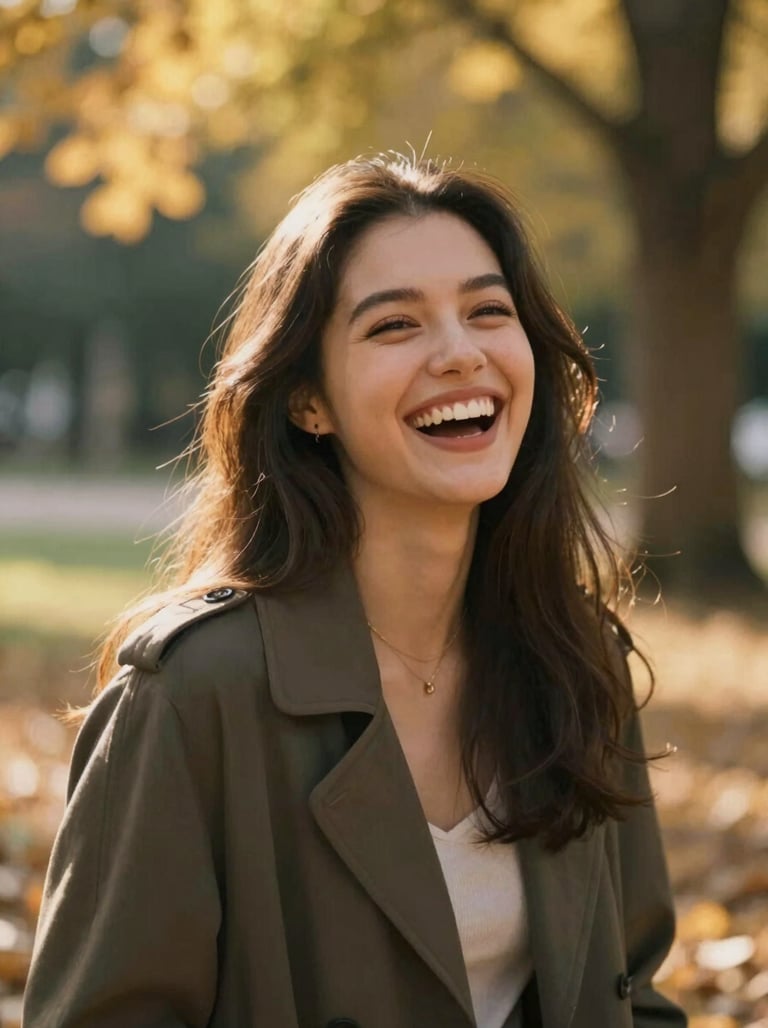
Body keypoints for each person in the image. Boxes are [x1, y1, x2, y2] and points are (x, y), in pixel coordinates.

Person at [23, 153, 686, 1028]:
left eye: (489, 311)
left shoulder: (579, 660)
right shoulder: (191, 693)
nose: (460, 353)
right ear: (307, 401)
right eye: (393, 327)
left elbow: (632, 994)